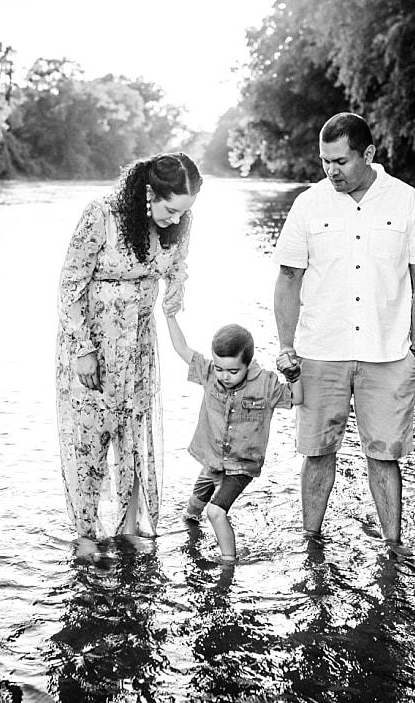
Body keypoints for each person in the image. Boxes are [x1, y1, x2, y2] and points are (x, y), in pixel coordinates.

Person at [272, 112, 415, 548]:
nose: (331, 171)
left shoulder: (408, 202)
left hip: (388, 354)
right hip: (320, 351)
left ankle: (393, 547)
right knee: (316, 453)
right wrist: (287, 346)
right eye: (324, 161)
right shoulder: (308, 204)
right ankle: (310, 543)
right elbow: (288, 278)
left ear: (368, 154)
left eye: (341, 161)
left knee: (385, 456)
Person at [56, 152, 203, 561]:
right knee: (90, 438)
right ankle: (86, 534)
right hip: (92, 345)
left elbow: (177, 267)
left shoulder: (177, 223)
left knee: (133, 435)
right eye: (170, 209)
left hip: (139, 345)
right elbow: (69, 286)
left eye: (184, 212)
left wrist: (176, 292)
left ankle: (127, 527)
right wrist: (83, 350)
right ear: (148, 194)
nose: (176, 220)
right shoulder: (101, 215)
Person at [161, 304, 304, 563]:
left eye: (233, 371)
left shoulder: (266, 384)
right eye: (219, 368)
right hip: (213, 460)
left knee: (215, 511)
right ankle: (190, 540)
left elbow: (298, 398)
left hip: (241, 465)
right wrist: (170, 316)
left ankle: (228, 563)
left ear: (248, 364)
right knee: (193, 509)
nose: (224, 376)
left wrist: (293, 375)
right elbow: (182, 349)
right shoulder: (208, 374)